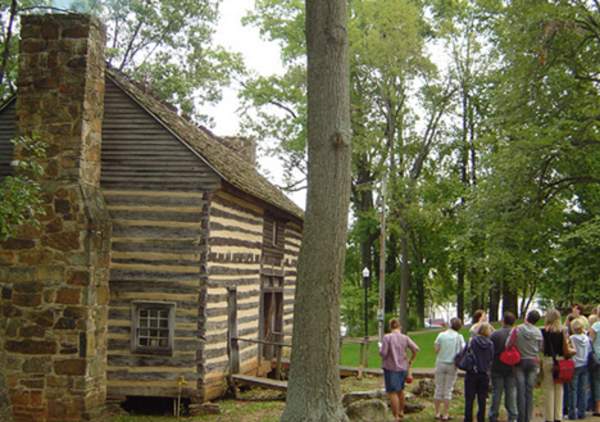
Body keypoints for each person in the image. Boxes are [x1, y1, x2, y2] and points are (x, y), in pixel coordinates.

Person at [380, 318, 419, 422]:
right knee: (401, 391)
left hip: (390, 368)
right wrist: (411, 360)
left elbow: (383, 354)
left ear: (390, 327)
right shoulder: (405, 338)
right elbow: (415, 349)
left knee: (392, 392)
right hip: (403, 367)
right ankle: (401, 411)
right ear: (399, 327)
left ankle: (396, 416)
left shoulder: (387, 337)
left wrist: (380, 349)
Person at [541, 309, 573, 422]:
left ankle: (549, 417)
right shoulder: (563, 331)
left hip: (549, 359)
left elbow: (542, 347)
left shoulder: (544, 331)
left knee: (549, 388)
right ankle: (558, 416)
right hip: (561, 361)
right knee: (559, 388)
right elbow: (567, 346)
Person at [513, 309, 544, 422]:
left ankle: (520, 417)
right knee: (529, 390)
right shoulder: (538, 332)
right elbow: (541, 347)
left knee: (520, 390)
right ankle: (528, 417)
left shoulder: (518, 329)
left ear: (527, 317)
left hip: (519, 361)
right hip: (533, 362)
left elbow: (509, 343)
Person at [433, 317, 465, 421]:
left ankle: (437, 412)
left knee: (438, 388)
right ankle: (446, 414)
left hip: (440, 362)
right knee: (448, 390)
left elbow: (436, 349)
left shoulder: (441, 335)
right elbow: (463, 350)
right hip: (452, 364)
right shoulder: (459, 337)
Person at [489, 311, 518, 422]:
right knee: (511, 392)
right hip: (512, 367)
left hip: (497, 366)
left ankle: (493, 415)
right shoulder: (516, 334)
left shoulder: (495, 334)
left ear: (503, 321)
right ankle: (513, 415)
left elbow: (491, 351)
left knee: (497, 392)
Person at [463, 322, 495, 422]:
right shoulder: (490, 344)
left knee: (469, 398)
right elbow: (491, 358)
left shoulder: (471, 341)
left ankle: (468, 418)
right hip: (484, 373)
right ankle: (481, 418)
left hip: (472, 372)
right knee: (482, 399)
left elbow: (464, 352)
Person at [569, 318, 590, 419]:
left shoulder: (572, 338)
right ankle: (582, 412)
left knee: (573, 389)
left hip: (575, 364)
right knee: (583, 389)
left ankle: (572, 412)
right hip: (584, 364)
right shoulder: (586, 338)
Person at [590, 309, 600, 416]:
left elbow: (590, 341)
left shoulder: (596, 326)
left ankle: (598, 408)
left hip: (597, 356)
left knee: (597, 382)